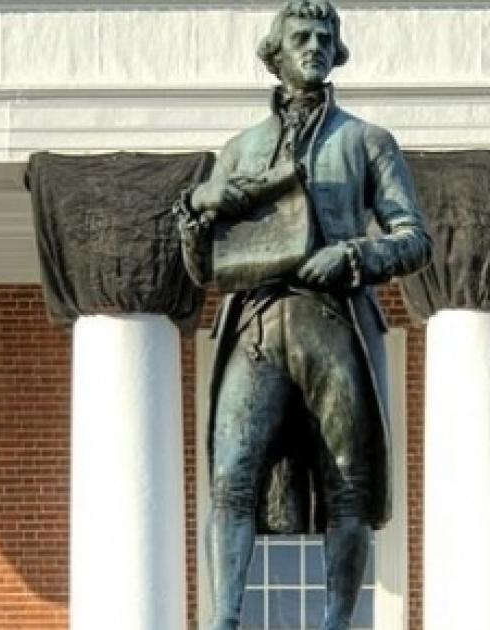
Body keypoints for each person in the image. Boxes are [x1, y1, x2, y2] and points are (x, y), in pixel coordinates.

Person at [174, 2, 431, 628]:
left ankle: (337, 622)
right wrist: (197, 206)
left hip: (331, 316)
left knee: (348, 481)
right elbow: (200, 267)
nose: (315, 45)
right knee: (232, 475)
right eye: (302, 36)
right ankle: (224, 620)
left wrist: (353, 255)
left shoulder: (366, 141)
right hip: (257, 322)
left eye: (326, 36)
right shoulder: (239, 150)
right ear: (276, 52)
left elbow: (414, 237)